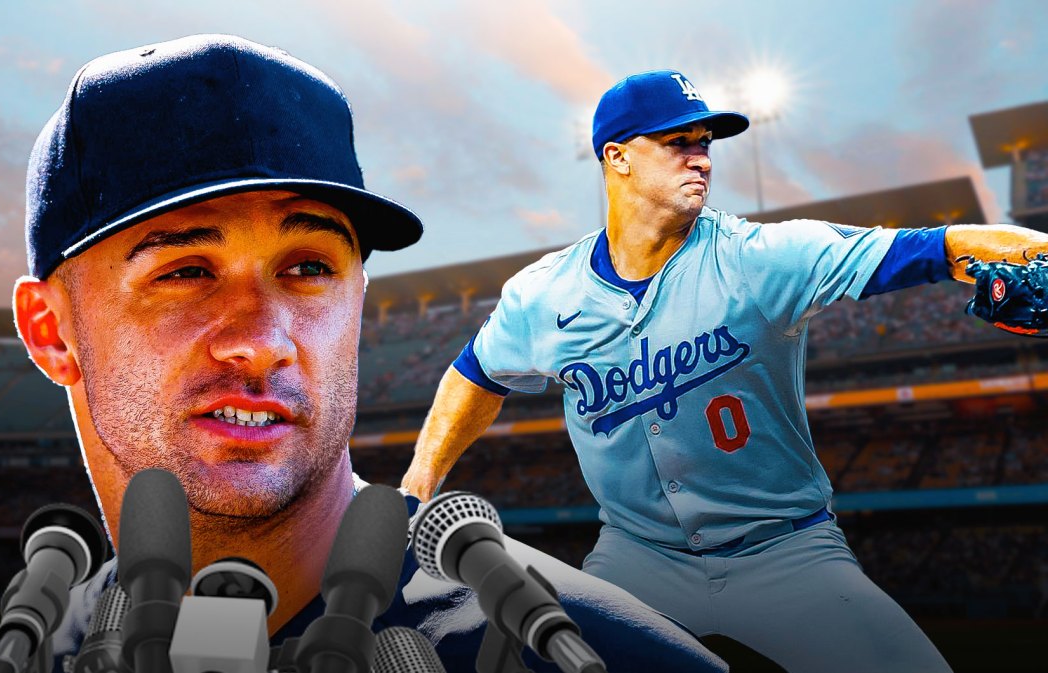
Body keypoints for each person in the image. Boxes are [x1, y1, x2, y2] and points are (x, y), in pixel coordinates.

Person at [13, 37, 726, 673]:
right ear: (50, 330)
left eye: (309, 267)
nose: (263, 338)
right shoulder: (41, 645)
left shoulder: (586, 652)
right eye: (186, 271)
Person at [401, 69, 1048, 672]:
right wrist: (418, 484)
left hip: (786, 554)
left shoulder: (761, 258)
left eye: (705, 142)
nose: (702, 156)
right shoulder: (542, 294)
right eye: (678, 142)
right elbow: (475, 374)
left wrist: (1033, 250)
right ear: (616, 157)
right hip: (636, 559)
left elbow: (937, 248)